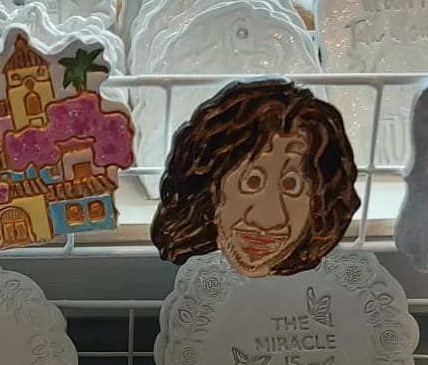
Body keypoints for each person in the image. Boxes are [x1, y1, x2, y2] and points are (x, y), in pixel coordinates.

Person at [151, 80, 359, 279]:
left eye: (291, 186)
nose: (267, 220)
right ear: (210, 187)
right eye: (252, 182)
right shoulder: (201, 278)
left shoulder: (332, 283)